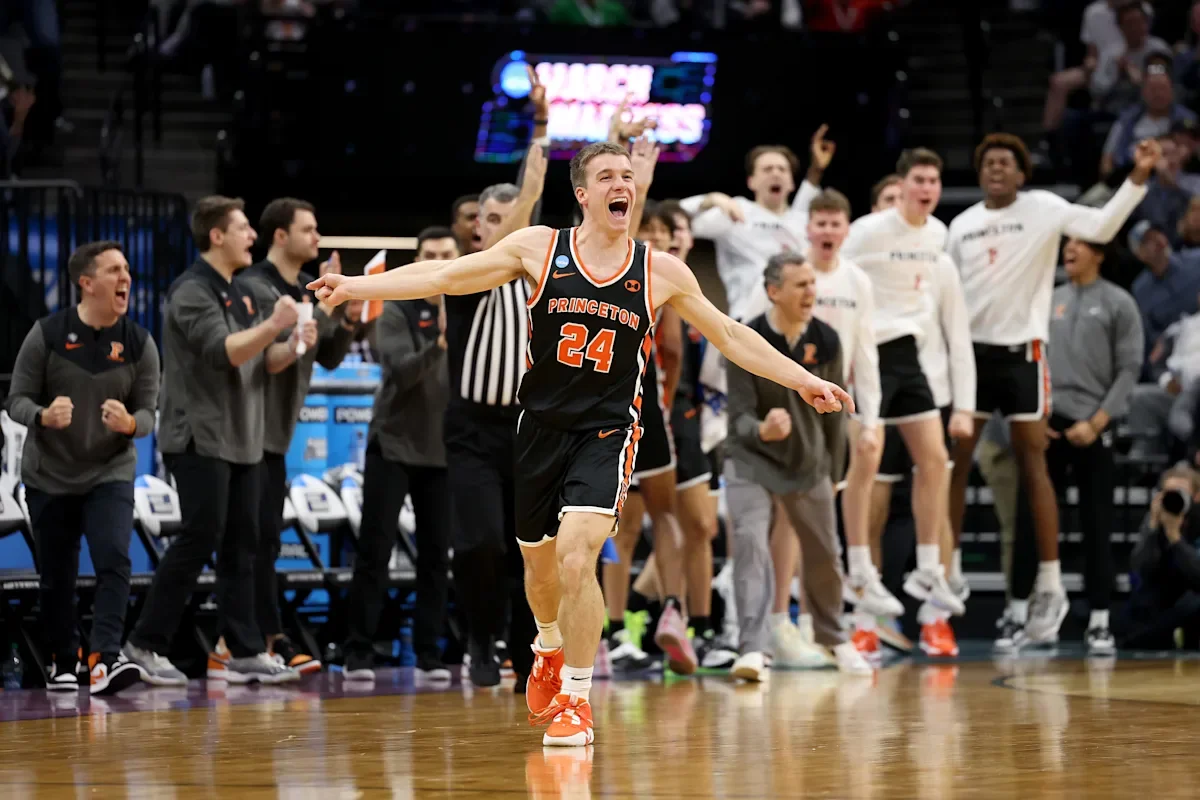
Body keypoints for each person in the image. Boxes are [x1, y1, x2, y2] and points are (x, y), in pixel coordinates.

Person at [308, 140, 852, 747]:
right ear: (583, 194)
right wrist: (356, 287)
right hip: (538, 429)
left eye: (629, 176)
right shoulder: (541, 249)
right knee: (539, 569)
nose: (623, 184)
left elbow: (729, 334)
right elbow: (445, 276)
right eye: (608, 176)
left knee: (576, 555)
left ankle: (577, 697)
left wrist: (803, 381)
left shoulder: (660, 270)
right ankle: (546, 645)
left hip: (608, 431)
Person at [946, 133, 1156, 644]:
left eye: (1006, 162)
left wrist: (1138, 176)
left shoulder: (1044, 208)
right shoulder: (961, 225)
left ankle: (1050, 583)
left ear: (1022, 174)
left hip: (1024, 355)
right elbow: (945, 294)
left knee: (1032, 461)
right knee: (956, 456)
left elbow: (1102, 225)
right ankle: (944, 566)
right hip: (972, 355)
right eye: (988, 162)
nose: (996, 169)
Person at [122, 196, 302, 686]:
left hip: (244, 436)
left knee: (243, 543)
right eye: (243, 228)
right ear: (216, 236)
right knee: (200, 536)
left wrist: (295, 339)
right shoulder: (191, 291)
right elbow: (224, 352)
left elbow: (264, 359)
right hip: (199, 435)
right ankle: (143, 643)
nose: (252, 236)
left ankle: (243, 651)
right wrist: (274, 324)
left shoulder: (240, 292)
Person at [4, 241, 158, 695]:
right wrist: (42, 416)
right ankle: (63, 659)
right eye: (114, 270)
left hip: (110, 470)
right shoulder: (48, 334)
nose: (126, 277)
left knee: (114, 559)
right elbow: (16, 400)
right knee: (58, 574)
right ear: (86, 283)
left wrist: (131, 424)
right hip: (50, 473)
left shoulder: (139, 342)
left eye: (127, 269)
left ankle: (105, 658)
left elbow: (148, 412)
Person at [725, 252, 874, 682]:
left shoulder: (826, 340)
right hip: (751, 460)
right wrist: (762, 430)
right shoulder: (746, 338)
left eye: (813, 283)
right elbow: (738, 417)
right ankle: (753, 649)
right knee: (750, 543)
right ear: (774, 292)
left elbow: (836, 417)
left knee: (826, 551)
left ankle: (834, 637)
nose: (811, 292)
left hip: (808, 463)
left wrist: (835, 472)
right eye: (801, 285)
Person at [842, 147, 970, 621]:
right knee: (865, 465)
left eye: (933, 181)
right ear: (902, 185)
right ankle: (859, 571)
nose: (927, 188)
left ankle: (929, 569)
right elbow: (833, 273)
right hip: (869, 353)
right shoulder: (867, 231)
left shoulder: (938, 234)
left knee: (936, 461)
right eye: (919, 180)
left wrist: (962, 401)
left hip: (910, 355)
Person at [238, 197, 357, 675]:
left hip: (275, 433)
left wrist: (345, 315)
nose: (317, 237)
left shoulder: (304, 286)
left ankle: (258, 638)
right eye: (308, 229)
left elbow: (326, 354)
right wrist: (319, 314)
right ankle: (260, 639)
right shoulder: (254, 286)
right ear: (280, 235)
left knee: (264, 538)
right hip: (247, 429)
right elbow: (272, 353)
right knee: (252, 539)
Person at [445, 143, 548, 688]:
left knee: (531, 548)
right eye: (488, 219)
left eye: (505, 219)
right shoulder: (466, 273)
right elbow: (511, 237)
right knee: (481, 542)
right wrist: (528, 191)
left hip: (531, 432)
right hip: (473, 431)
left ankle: (529, 647)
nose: (496, 228)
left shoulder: (545, 276)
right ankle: (480, 637)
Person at [342, 227, 455, 682]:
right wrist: (440, 343)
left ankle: (428, 654)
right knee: (376, 550)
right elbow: (401, 373)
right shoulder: (395, 308)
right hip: (393, 444)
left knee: (436, 557)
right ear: (418, 260)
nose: (439, 260)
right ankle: (357, 651)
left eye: (447, 254)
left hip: (444, 450)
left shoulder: (470, 309)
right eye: (430, 254)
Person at [1029, 237, 1142, 655]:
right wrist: (1038, 415)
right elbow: (1033, 359)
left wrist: (1098, 421)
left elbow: (1130, 368)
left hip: (1095, 423)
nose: (1070, 249)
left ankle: (1099, 621)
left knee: (1097, 524)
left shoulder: (1119, 302)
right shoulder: (1049, 299)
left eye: (1080, 244)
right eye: (1068, 243)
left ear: (1100, 253)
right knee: (1035, 521)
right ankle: (1026, 613)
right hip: (1051, 422)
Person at [867, 247, 975, 659]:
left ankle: (936, 619)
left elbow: (958, 334)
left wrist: (964, 406)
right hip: (878, 391)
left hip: (932, 393)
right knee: (872, 503)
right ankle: (871, 618)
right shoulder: (863, 257)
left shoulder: (937, 260)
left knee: (936, 505)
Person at [680, 126, 835, 320]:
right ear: (751, 181)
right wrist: (712, 199)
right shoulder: (736, 211)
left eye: (782, 169)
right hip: (749, 319)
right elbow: (673, 216)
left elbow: (807, 199)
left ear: (791, 183)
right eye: (767, 169)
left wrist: (816, 170)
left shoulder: (803, 220)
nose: (775, 174)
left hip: (798, 320)